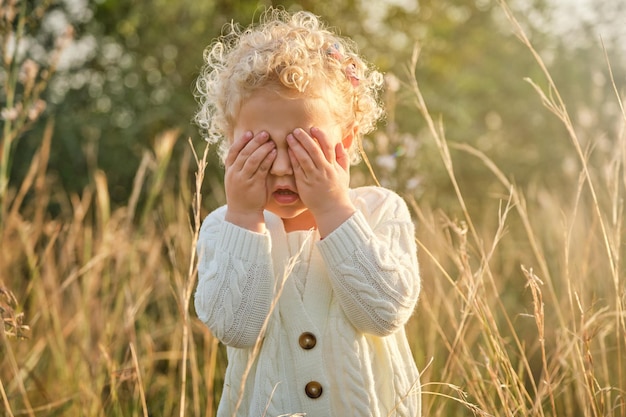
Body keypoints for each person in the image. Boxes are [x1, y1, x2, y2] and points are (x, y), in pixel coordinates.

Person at [194, 8, 421, 417]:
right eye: (262, 145)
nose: (281, 166)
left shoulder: (379, 210)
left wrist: (334, 209)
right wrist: (245, 218)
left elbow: (385, 313)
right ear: (231, 144)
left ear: (346, 142)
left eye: (301, 146)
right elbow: (235, 328)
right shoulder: (223, 227)